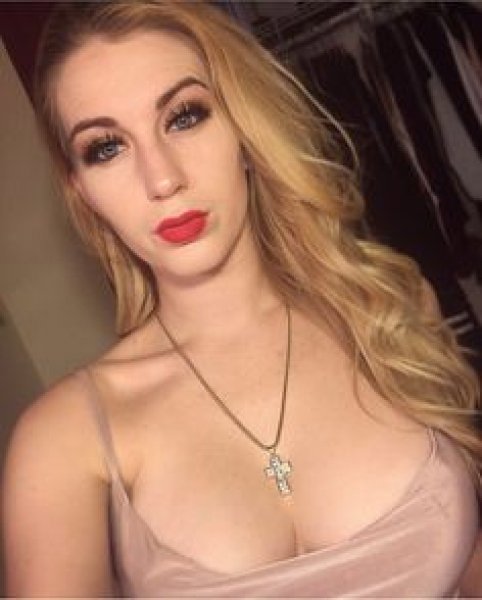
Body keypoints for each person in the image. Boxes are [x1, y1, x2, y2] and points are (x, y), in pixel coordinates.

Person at [2, 1, 481, 597]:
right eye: (107, 147)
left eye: (185, 116)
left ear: (244, 129)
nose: (162, 178)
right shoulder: (64, 441)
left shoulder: (388, 312)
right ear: (82, 192)